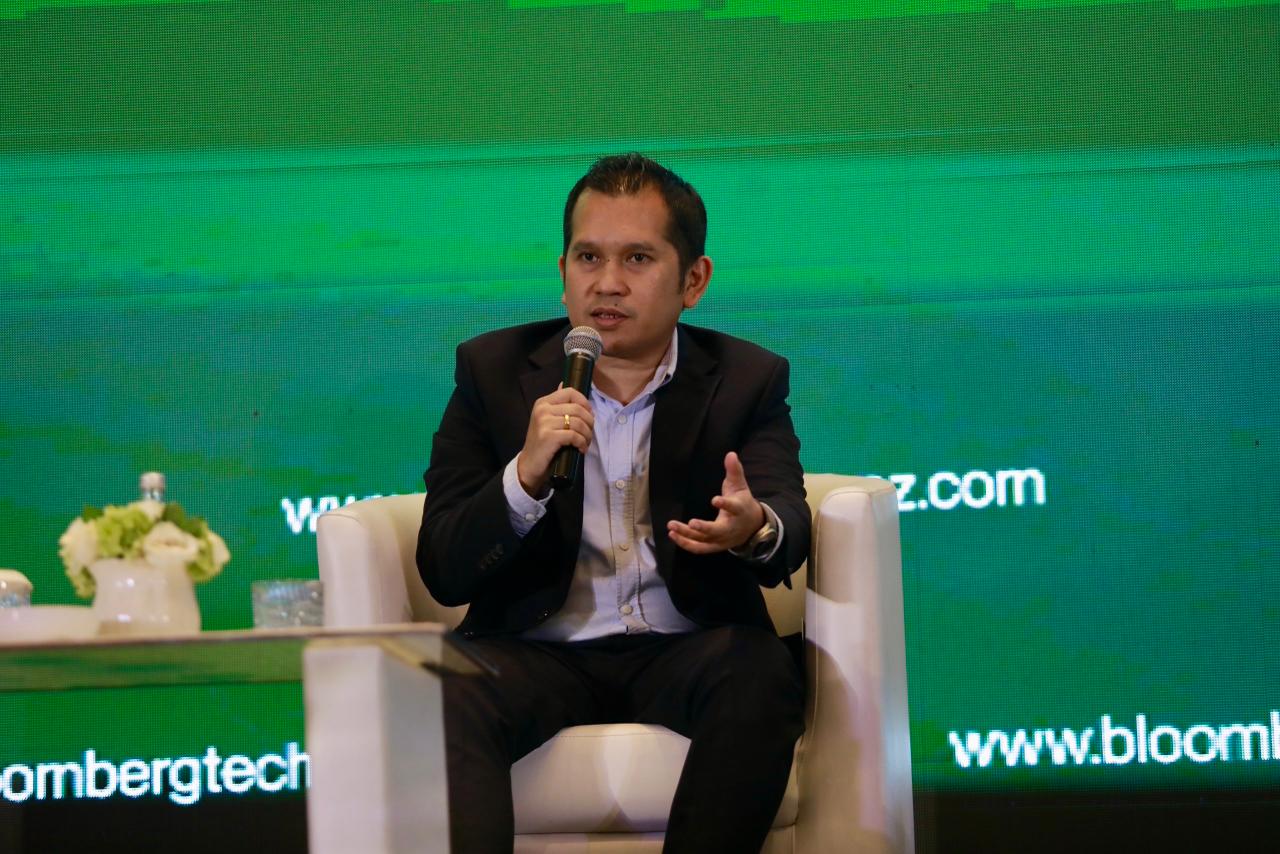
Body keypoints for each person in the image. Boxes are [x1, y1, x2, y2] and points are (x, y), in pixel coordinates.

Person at [417, 153, 809, 853]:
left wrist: (753, 528)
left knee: (760, 674)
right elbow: (444, 567)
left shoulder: (747, 378)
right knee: (445, 687)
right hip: (535, 651)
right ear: (562, 270)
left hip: (688, 648)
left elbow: (788, 519)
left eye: (637, 259)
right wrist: (523, 479)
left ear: (694, 280)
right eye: (588, 257)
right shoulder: (492, 372)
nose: (607, 283)